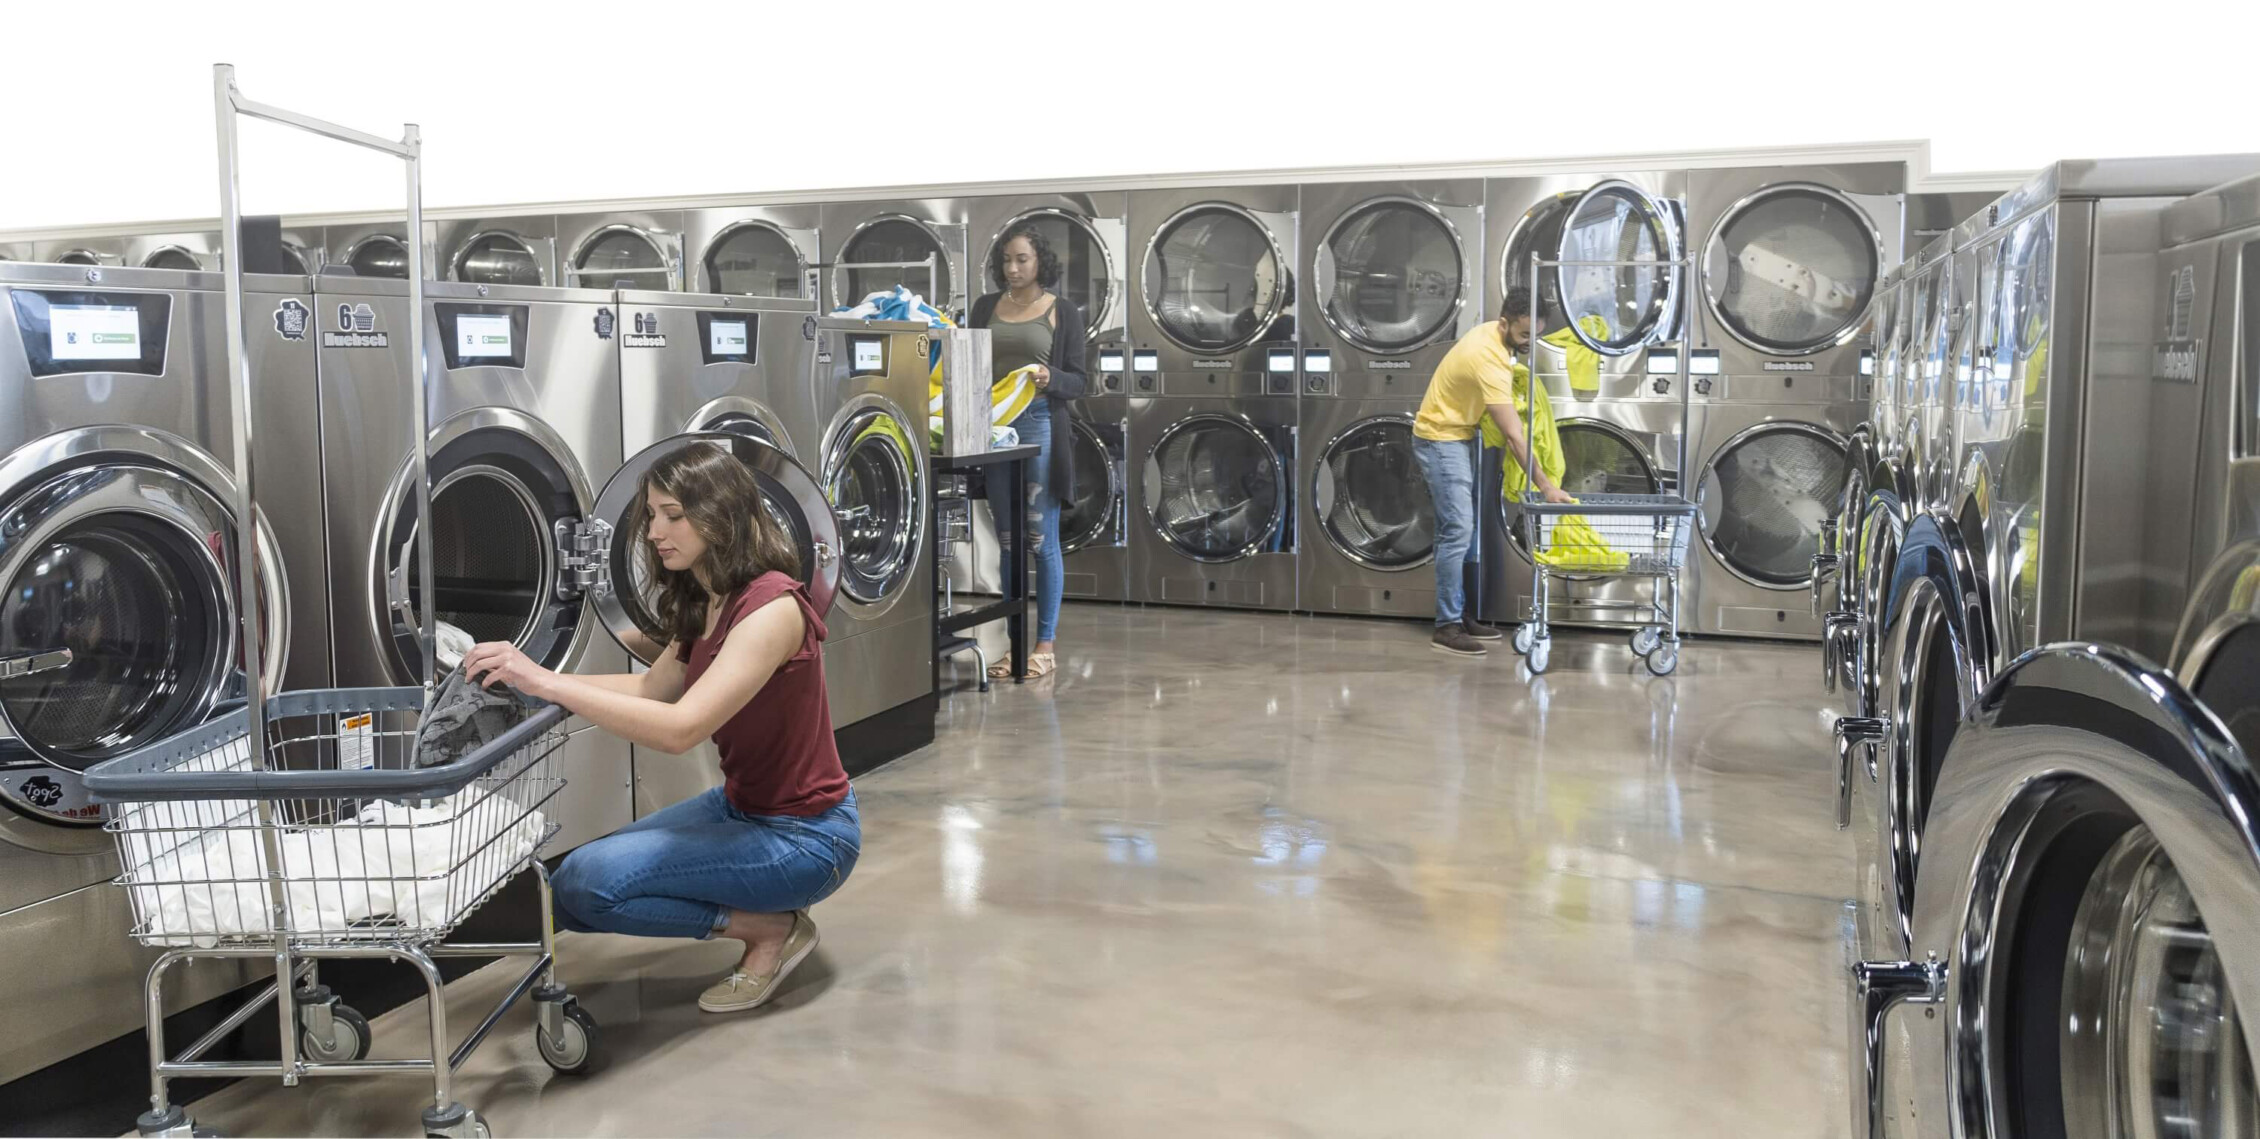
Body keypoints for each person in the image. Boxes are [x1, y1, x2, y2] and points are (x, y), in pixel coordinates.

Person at [460, 445, 859, 1014]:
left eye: (672, 514)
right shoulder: (708, 595)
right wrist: (535, 677)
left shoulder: (772, 607)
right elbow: (652, 691)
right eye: (651, 514)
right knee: (569, 893)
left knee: (589, 884)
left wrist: (548, 687)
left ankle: (768, 929)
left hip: (808, 836)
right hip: (742, 808)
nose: (653, 531)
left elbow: (680, 728)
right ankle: (761, 916)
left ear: (718, 514)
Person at [1411, 286, 1576, 658]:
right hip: (1440, 439)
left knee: (1463, 533)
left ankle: (1461, 614)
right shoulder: (1488, 357)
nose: (1529, 343)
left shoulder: (1495, 337)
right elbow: (1515, 436)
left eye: (1536, 335)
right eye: (1523, 335)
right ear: (1504, 323)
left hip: (1460, 434)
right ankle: (1446, 626)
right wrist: (1546, 485)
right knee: (1458, 531)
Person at [967, 223, 1089, 680]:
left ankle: (1045, 644)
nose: (1013, 268)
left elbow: (1080, 380)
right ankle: (1014, 647)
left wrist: (1048, 377)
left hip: (1039, 426)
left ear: (1040, 263)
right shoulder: (985, 308)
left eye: (1022, 259)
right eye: (1006, 260)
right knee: (1007, 540)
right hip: (995, 431)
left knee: (1041, 540)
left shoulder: (1062, 311)